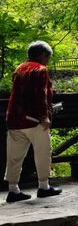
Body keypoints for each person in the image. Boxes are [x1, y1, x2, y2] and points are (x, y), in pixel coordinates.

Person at [5, 40, 62, 203]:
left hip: (14, 118)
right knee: (42, 152)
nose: (48, 60)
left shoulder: (19, 68)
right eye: (48, 57)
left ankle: (13, 189)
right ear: (43, 55)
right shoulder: (40, 70)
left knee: (14, 156)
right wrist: (45, 116)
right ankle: (44, 186)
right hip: (34, 119)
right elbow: (41, 94)